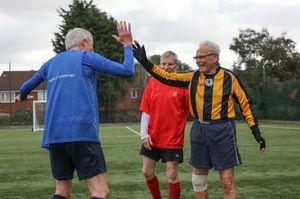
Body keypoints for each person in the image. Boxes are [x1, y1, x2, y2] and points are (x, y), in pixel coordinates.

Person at [133, 40, 266, 199]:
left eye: (202, 57)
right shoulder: (193, 77)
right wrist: (145, 63)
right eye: (196, 57)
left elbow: (246, 105)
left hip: (222, 130)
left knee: (227, 182)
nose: (198, 60)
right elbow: (166, 77)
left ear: (215, 57)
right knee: (198, 181)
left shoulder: (229, 78)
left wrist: (256, 132)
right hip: (199, 130)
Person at [15, 22, 134, 199]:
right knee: (100, 191)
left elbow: (26, 86)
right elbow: (127, 70)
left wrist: (22, 96)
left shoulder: (50, 63)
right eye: (92, 44)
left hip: (54, 136)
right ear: (85, 42)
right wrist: (127, 45)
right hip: (81, 132)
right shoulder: (87, 57)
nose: (92, 48)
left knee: (62, 191)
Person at [139, 51, 189, 199]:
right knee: (147, 172)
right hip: (152, 137)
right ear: (159, 65)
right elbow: (146, 110)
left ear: (177, 65)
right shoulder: (153, 81)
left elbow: (194, 108)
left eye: (170, 64)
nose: (167, 67)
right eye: (164, 64)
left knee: (172, 174)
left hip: (173, 138)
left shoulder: (183, 85)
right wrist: (143, 133)